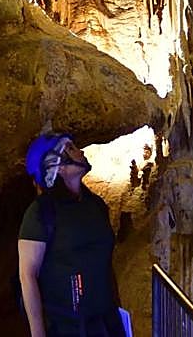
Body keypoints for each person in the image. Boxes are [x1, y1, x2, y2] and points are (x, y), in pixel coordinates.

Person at [18, 132, 127, 337]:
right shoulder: (41, 213)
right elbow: (27, 275)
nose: (80, 152)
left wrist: (118, 313)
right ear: (56, 166)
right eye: (70, 148)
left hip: (106, 322)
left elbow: (104, 264)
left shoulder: (95, 204)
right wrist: (38, 333)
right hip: (65, 326)